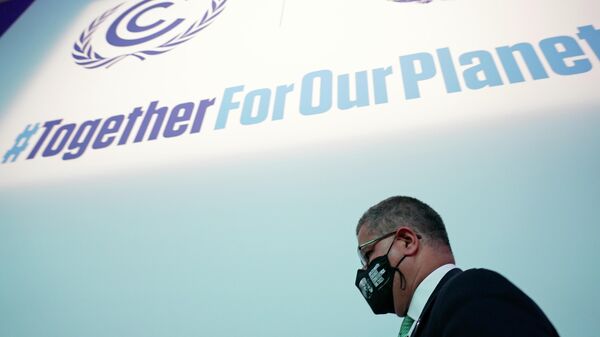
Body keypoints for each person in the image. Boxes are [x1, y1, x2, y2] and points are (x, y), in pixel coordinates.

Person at [354, 196, 560, 337]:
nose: (365, 271)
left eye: (367, 255)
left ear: (407, 241)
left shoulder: (472, 292)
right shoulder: (433, 317)